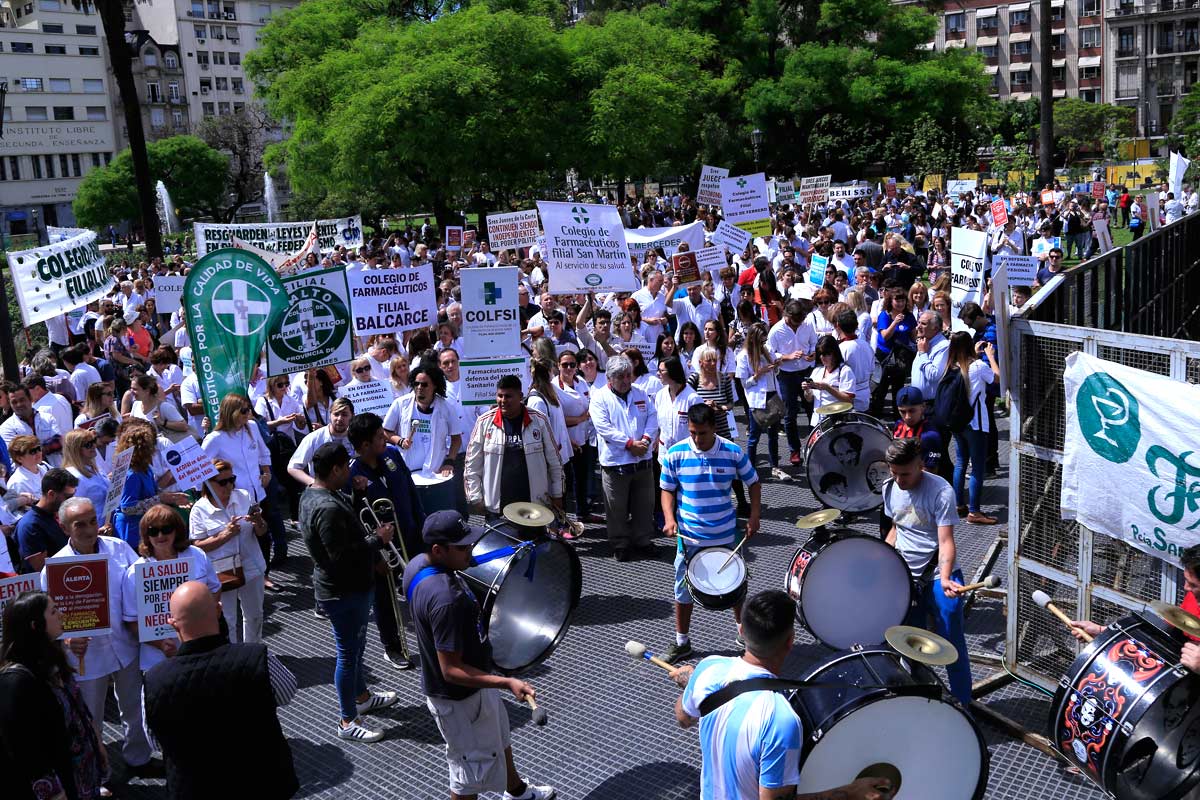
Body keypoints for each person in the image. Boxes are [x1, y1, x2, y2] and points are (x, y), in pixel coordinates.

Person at [670, 590, 892, 800]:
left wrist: (693, 683)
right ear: (790, 641)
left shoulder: (707, 669)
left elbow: (683, 717)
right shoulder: (780, 719)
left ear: (741, 632)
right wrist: (850, 793)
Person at [402, 511, 556, 800]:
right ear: (439, 550)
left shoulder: (415, 566)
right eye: (461, 548)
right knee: (468, 776)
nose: (469, 551)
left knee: (499, 737)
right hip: (460, 699)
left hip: (477, 683)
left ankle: (516, 790)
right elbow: (451, 671)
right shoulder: (447, 600)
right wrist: (506, 683)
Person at [143, 581, 299, 800]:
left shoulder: (154, 681)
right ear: (218, 610)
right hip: (263, 784)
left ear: (173, 624)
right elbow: (287, 692)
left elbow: (156, 742)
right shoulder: (256, 657)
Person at [45, 496, 156, 786]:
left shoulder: (119, 549)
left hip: (125, 644)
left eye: (92, 520)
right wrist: (65, 641)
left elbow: (141, 588)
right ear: (64, 526)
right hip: (87, 655)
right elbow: (50, 620)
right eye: (79, 524)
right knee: (91, 719)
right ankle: (97, 774)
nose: (89, 529)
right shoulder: (54, 569)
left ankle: (139, 758)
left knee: (133, 706)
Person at [299, 442, 399, 742]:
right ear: (335, 469)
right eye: (346, 468)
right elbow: (340, 558)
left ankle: (362, 697)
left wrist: (355, 494)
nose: (349, 472)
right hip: (343, 592)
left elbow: (344, 531)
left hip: (344, 590)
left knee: (355, 649)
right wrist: (378, 540)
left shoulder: (313, 494)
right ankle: (347, 720)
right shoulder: (326, 507)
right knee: (348, 654)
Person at [660, 404, 761, 663]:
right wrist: (670, 519)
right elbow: (667, 489)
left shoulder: (732, 451)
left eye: (702, 433)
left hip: (726, 536)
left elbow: (754, 482)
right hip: (690, 538)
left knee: (736, 587)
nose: (696, 438)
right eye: (692, 432)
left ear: (714, 428)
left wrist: (754, 516)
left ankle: (743, 635)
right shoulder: (675, 454)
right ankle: (682, 642)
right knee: (682, 590)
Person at [882, 438, 972, 707]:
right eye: (894, 473)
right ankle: (918, 702)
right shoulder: (888, 488)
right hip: (905, 577)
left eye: (905, 474)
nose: (899, 480)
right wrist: (882, 563)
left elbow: (946, 542)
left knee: (952, 643)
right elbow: (897, 528)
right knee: (908, 644)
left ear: (921, 465)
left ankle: (963, 705)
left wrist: (945, 578)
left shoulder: (941, 491)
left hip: (937, 574)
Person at [0, 591, 106, 800]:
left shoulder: (53, 659)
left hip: (82, 775)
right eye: (54, 611)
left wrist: (97, 743)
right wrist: (54, 793)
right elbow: (26, 749)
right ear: (35, 625)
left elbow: (78, 706)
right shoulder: (16, 681)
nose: (61, 615)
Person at [347, 412, 425, 669]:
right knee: (385, 598)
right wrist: (375, 556)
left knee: (421, 588)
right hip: (382, 549)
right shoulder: (352, 475)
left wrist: (420, 523)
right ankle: (392, 646)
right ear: (365, 445)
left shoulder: (392, 455)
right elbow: (355, 521)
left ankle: (429, 637)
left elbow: (410, 490)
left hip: (410, 536)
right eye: (380, 437)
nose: (386, 439)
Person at [122, 504, 220, 671]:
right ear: (146, 535)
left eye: (166, 529)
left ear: (177, 530)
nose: (160, 535)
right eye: (153, 531)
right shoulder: (134, 573)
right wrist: (159, 644)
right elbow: (131, 620)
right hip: (158, 659)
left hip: (202, 649)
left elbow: (215, 589)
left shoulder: (197, 555)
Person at [189, 458, 269, 643]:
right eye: (222, 482)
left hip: (251, 565)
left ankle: (252, 652)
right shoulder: (199, 509)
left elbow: (262, 531)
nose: (229, 485)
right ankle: (233, 658)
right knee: (228, 620)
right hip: (221, 571)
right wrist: (225, 534)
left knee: (255, 615)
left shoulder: (244, 496)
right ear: (208, 484)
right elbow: (197, 545)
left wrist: (258, 522)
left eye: (231, 479)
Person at [465, 375, 564, 520]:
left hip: (534, 506)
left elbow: (555, 462)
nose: (503, 401)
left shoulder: (539, 420)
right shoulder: (484, 422)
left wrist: (557, 494)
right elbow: (472, 465)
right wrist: (475, 497)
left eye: (508, 396)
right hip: (496, 507)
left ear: (520, 397)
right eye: (500, 396)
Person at [590, 355, 659, 562]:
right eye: (621, 377)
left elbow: (653, 417)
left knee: (644, 504)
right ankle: (620, 543)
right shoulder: (600, 397)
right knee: (616, 507)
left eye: (629, 375)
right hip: (616, 462)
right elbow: (604, 428)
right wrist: (629, 444)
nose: (627, 380)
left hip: (642, 459)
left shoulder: (641, 393)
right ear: (610, 379)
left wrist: (645, 440)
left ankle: (643, 540)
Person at [945, 332, 999, 525]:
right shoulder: (978, 366)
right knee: (977, 468)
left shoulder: (951, 366)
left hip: (957, 423)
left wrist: (974, 354)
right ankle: (974, 512)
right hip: (975, 423)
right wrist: (990, 355)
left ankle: (959, 504)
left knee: (960, 462)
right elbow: (996, 378)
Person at [111, 420, 189, 550]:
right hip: (132, 534)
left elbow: (152, 493)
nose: (153, 448)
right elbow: (128, 508)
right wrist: (162, 499)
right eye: (149, 445)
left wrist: (173, 498)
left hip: (145, 528)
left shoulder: (146, 469)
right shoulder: (132, 474)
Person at [767, 300, 817, 468]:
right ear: (786, 316)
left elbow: (814, 343)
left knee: (812, 410)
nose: (798, 325)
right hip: (787, 375)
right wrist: (787, 357)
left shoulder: (807, 324)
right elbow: (769, 353)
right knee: (790, 414)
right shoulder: (776, 330)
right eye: (795, 322)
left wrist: (812, 354)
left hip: (805, 372)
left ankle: (813, 446)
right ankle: (794, 449)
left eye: (800, 322)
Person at [202, 392, 273, 507]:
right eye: (243, 411)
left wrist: (267, 473)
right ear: (231, 413)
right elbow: (200, 471)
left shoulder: (253, 426)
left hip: (257, 492)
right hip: (233, 499)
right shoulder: (215, 438)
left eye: (249, 409)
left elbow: (264, 452)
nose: (248, 413)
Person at [737, 323, 786, 480]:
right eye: (760, 341)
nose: (763, 344)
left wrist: (776, 366)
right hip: (757, 400)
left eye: (764, 341)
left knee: (773, 434)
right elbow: (745, 383)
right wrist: (759, 374)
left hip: (772, 395)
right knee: (754, 436)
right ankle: (750, 468)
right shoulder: (743, 356)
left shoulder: (767, 351)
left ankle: (775, 467)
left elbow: (774, 373)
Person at [16, 467, 78, 573]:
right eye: (68, 497)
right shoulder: (30, 526)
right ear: (51, 495)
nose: (72, 501)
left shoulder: (58, 515)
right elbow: (44, 570)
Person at [0, 384, 62, 467]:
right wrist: (47, 447)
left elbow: (59, 442)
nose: (19, 404)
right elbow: (17, 455)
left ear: (30, 399)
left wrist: (31, 451)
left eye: (22, 400)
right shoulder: (6, 428)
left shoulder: (47, 418)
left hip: (56, 470)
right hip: (29, 476)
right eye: (14, 402)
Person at [803, 335, 855, 424]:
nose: (822, 357)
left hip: (837, 422)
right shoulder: (817, 371)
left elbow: (849, 400)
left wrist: (828, 388)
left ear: (835, 353)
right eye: (820, 354)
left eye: (826, 354)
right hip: (816, 422)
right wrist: (807, 390)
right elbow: (809, 399)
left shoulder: (845, 371)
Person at [62, 429, 109, 519]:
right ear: (76, 450)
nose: (94, 446)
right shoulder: (73, 476)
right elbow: (74, 511)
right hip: (94, 528)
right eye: (88, 445)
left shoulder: (95, 468)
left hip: (109, 525)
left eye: (93, 441)